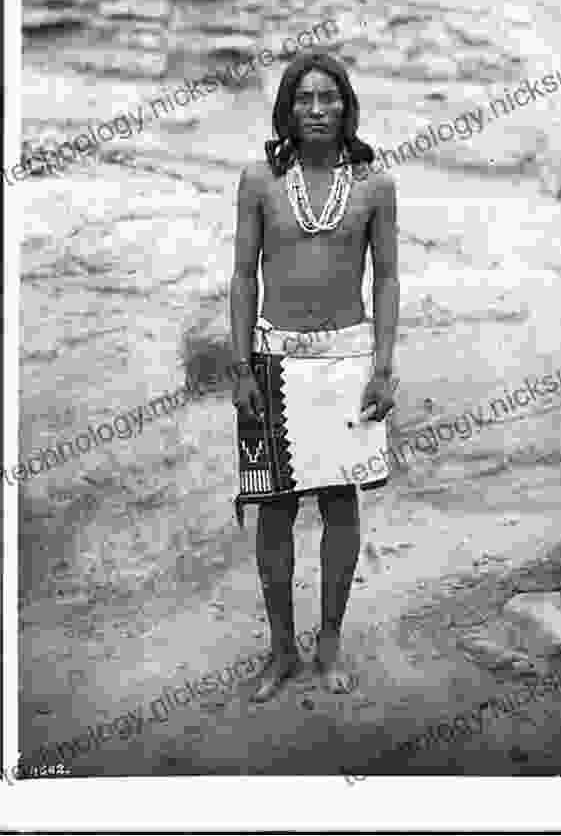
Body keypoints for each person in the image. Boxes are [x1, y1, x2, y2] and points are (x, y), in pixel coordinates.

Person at [229, 50, 399, 702]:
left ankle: (328, 646)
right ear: (288, 109)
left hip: (350, 363)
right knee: (273, 513)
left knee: (339, 504)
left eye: (331, 98)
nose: (319, 108)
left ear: (347, 106)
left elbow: (385, 278)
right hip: (272, 364)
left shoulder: (374, 185)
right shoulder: (259, 182)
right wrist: (239, 365)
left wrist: (384, 367)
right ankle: (280, 651)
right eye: (306, 99)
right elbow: (244, 277)